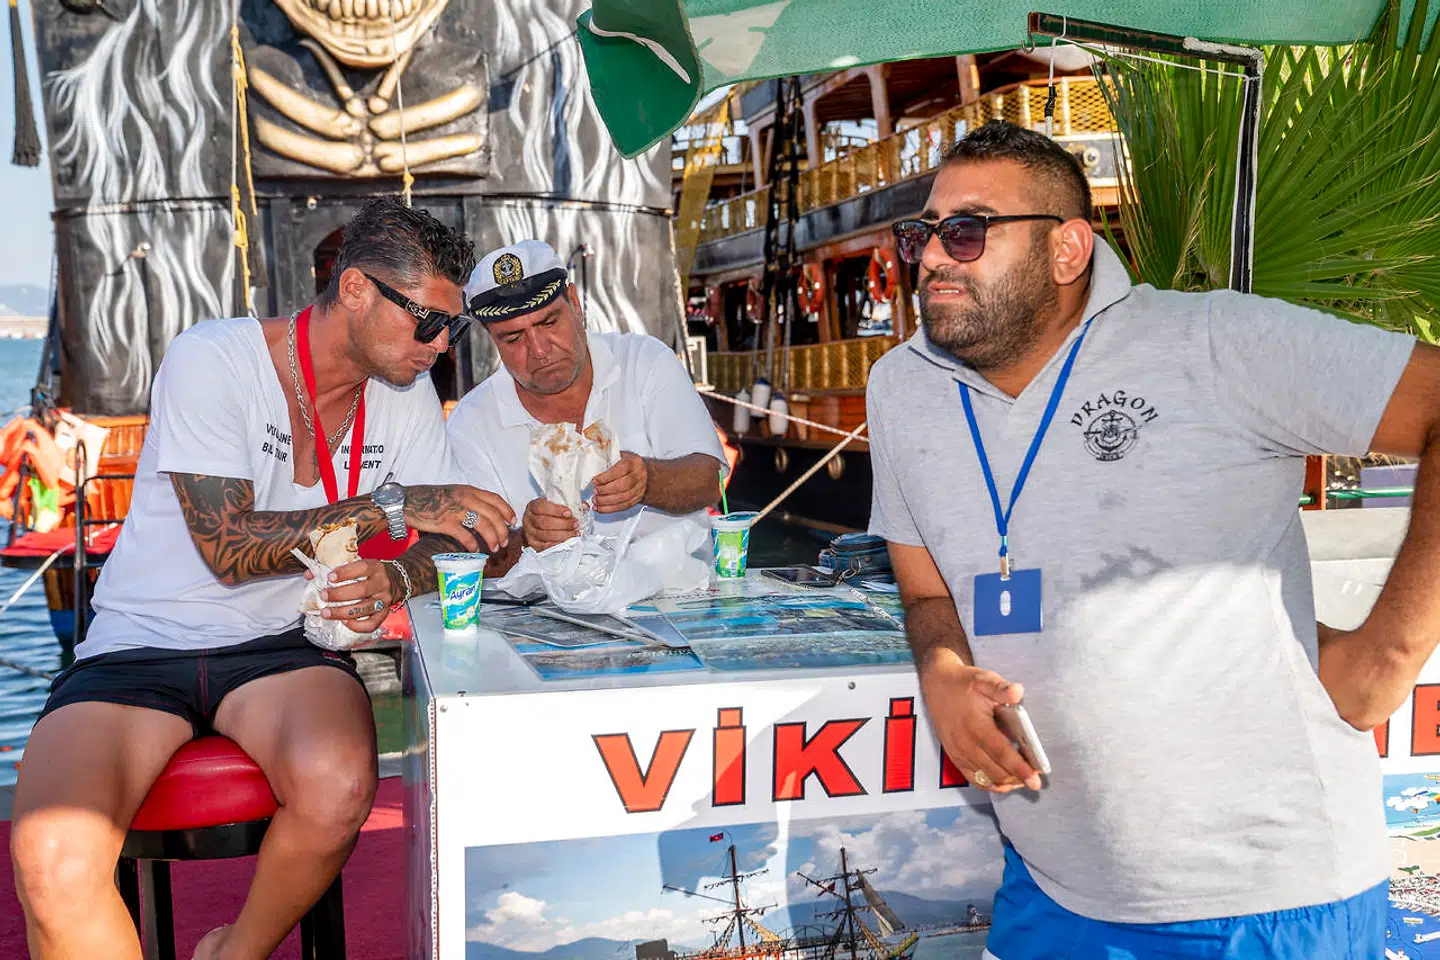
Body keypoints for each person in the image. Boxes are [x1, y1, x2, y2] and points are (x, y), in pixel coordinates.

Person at [867, 119, 1436, 958]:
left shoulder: (1211, 343)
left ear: (1067, 251)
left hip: (1263, 901)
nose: (932, 258)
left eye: (967, 231)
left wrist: (1389, 656)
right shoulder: (901, 386)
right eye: (924, 233)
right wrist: (944, 672)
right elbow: (926, 591)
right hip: (1049, 885)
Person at [10, 196, 516, 960]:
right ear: (355, 290)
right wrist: (394, 505)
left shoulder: (407, 400)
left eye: (455, 327)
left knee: (341, 785)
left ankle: (233, 952)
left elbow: (444, 546)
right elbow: (228, 546)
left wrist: (395, 582)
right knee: (51, 857)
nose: (441, 347)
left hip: (280, 646)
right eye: (428, 321)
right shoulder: (214, 358)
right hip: (138, 645)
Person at [446, 239, 724, 570]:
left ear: (575, 304)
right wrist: (526, 540)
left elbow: (709, 481)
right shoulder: (471, 423)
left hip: (674, 595)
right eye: (514, 338)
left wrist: (649, 480)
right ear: (492, 340)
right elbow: (467, 559)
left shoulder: (646, 362)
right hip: (542, 614)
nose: (539, 350)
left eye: (549, 323)